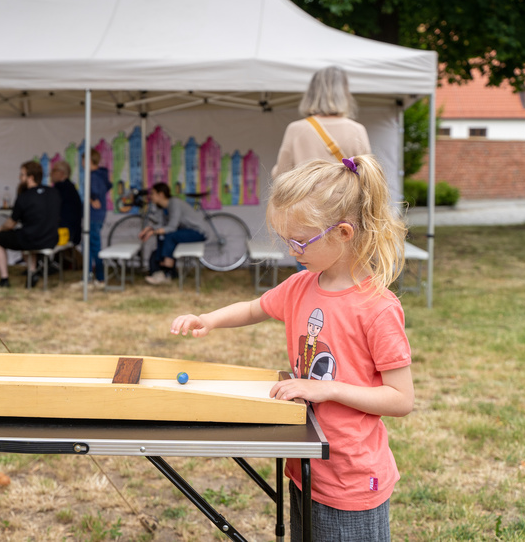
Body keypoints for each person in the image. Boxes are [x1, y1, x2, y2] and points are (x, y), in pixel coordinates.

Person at [170, 155, 414, 542]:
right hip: (308, 467)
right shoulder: (301, 286)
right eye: (286, 239)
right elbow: (254, 307)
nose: (291, 249)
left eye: (300, 240)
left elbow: (401, 399)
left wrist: (326, 389)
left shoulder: (377, 307)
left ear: (344, 233)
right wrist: (209, 318)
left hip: (351, 479)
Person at [272, 66, 371, 179]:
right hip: (344, 196)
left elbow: (281, 175)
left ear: (311, 93)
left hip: (307, 196)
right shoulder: (357, 129)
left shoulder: (296, 129)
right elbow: (367, 176)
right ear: (344, 93)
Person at [0, 160, 61, 288]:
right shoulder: (53, 192)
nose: (20, 178)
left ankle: (4, 279)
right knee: (26, 234)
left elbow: (11, 224)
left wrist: (0, 228)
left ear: (30, 177)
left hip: (32, 240)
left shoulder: (24, 197)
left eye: (22, 175)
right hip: (51, 239)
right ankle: (32, 273)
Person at [140, 182, 209, 285]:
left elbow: (171, 227)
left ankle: (166, 273)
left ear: (161, 194)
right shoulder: (163, 207)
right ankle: (164, 271)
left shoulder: (174, 203)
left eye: (153, 193)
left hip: (197, 232)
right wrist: (149, 229)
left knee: (170, 236)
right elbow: (162, 225)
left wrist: (152, 232)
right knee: (163, 236)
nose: (151, 197)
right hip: (185, 231)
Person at [86, 149, 112, 288]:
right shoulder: (102, 175)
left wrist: (92, 197)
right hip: (100, 215)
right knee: (93, 246)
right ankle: (93, 276)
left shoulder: (93, 176)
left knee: (93, 246)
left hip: (93, 215)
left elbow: (94, 192)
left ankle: (99, 277)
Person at [50, 160, 83, 246]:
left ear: (61, 173)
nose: (51, 173)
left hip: (64, 234)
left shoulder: (61, 189)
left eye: (54, 170)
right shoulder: (69, 188)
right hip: (71, 233)